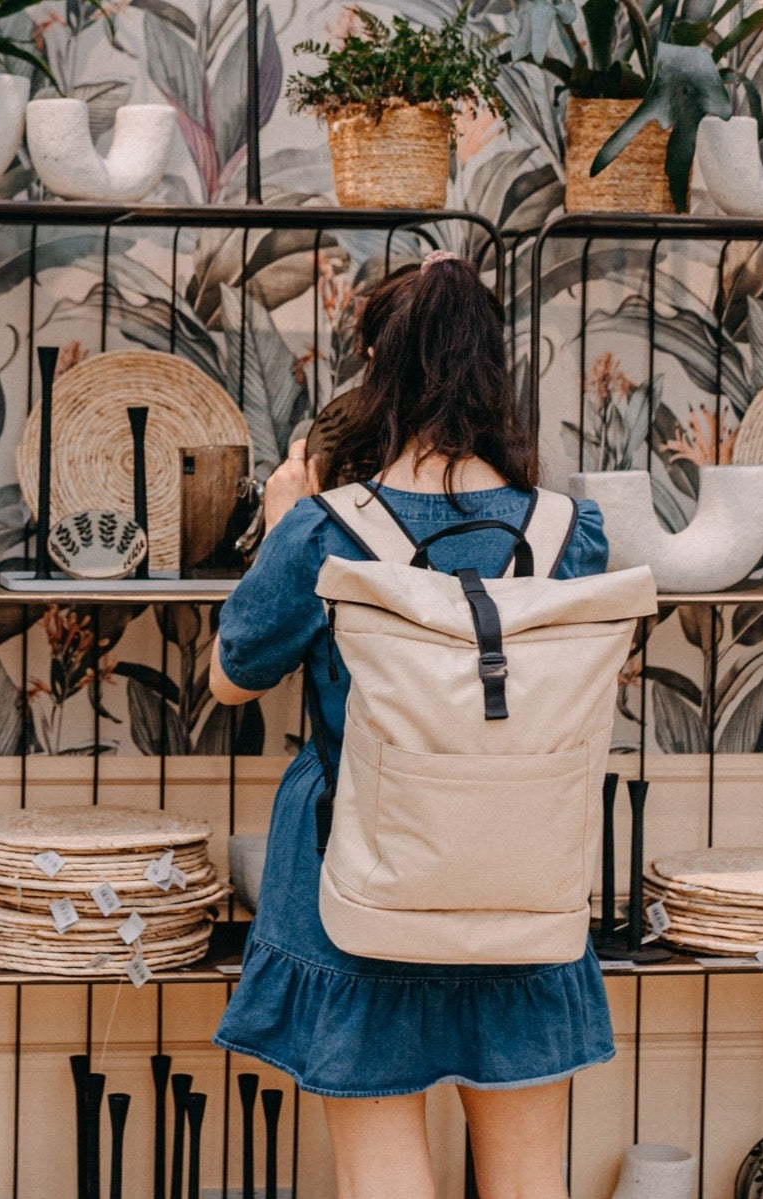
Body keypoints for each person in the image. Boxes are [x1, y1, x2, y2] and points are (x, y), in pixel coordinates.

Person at [209, 252, 612, 1199]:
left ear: (372, 365)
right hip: (521, 885)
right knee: (527, 1183)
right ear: (493, 368)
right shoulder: (568, 531)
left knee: (381, 1178)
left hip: (363, 882)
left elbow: (231, 678)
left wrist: (279, 524)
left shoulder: (322, 531)